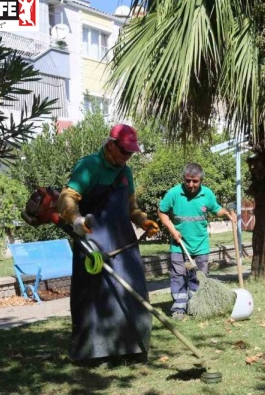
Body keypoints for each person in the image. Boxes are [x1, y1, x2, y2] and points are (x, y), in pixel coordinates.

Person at [57, 124, 160, 361]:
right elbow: (67, 198)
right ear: (111, 145)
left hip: (123, 241)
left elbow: (130, 206)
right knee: (95, 296)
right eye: (124, 152)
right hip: (93, 241)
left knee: (131, 294)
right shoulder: (89, 165)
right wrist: (76, 220)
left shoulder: (126, 173)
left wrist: (143, 221)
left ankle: (132, 348)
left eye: (131, 153)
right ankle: (93, 353)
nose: (127, 157)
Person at [158, 163, 236, 320]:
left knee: (198, 276)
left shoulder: (207, 194)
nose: (191, 185)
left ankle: (194, 305)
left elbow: (216, 209)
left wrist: (227, 213)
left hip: (201, 245)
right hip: (179, 244)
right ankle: (179, 307)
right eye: (187, 181)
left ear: (201, 180)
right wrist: (173, 231)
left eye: (195, 181)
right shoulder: (174, 193)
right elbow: (162, 212)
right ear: (184, 179)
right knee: (178, 275)